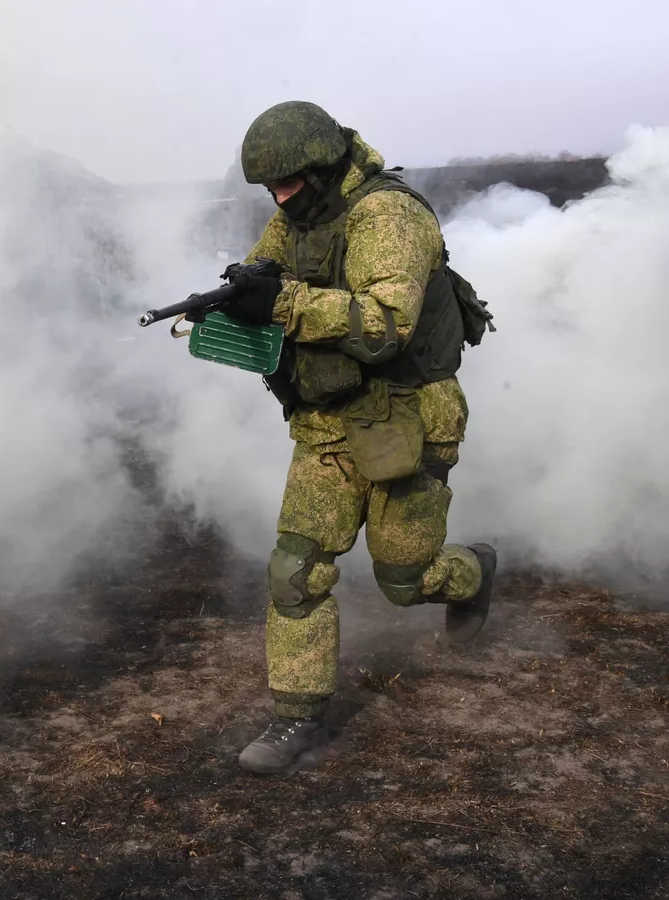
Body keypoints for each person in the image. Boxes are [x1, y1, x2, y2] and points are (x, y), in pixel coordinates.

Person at [200, 102, 498, 776]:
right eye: (269, 190)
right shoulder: (302, 211)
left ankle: (471, 572)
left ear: (323, 166)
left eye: (287, 185)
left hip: (408, 416)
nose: (278, 200)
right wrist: (239, 294)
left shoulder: (388, 215)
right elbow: (268, 270)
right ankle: (295, 719)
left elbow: (386, 325)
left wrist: (282, 305)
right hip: (327, 423)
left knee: (405, 578)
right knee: (295, 571)